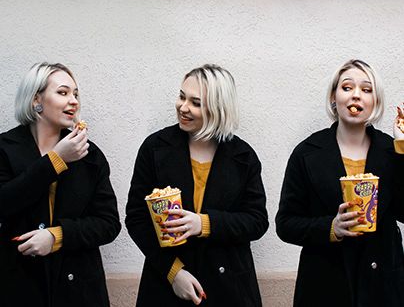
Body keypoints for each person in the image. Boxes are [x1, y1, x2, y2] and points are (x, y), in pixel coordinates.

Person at [126, 64, 268, 306]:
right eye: (182, 97)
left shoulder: (243, 157)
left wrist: (203, 223)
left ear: (218, 108)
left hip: (229, 287)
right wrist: (174, 273)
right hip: (164, 285)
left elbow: (257, 221)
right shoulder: (155, 148)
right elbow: (137, 218)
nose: (183, 107)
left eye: (196, 102)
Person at [276, 59, 404, 307]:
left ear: (375, 102)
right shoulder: (306, 153)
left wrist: (402, 149)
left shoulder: (392, 150)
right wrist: (330, 228)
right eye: (347, 87)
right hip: (324, 285)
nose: (356, 95)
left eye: (367, 90)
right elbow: (286, 224)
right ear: (334, 98)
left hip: (383, 287)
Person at [0, 62, 121, 307]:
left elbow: (108, 224)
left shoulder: (90, 155)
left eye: (76, 94)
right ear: (36, 100)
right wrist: (56, 160)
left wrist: (57, 237)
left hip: (79, 289)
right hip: (18, 285)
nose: (74, 101)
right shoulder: (5, 148)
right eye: (63, 92)